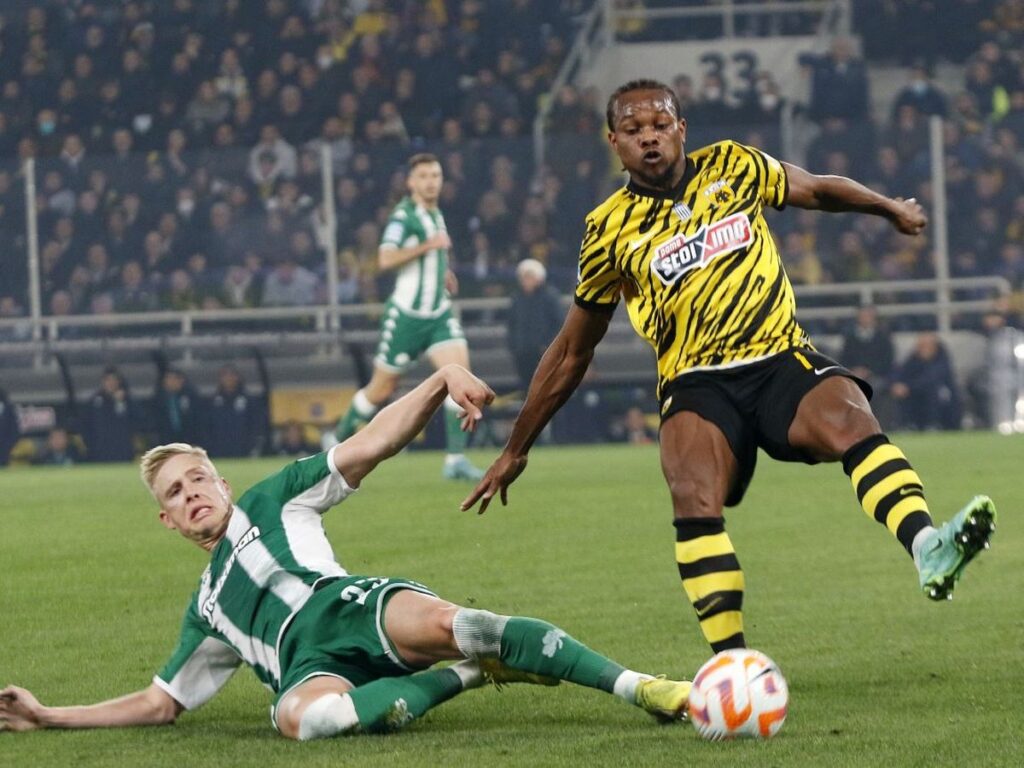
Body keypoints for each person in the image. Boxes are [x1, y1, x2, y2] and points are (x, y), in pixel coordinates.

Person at [462, 79, 997, 657]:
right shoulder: (607, 228)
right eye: (634, 130)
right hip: (696, 382)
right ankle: (734, 666)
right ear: (613, 142)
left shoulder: (733, 165)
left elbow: (816, 188)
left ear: (681, 129)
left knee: (851, 416)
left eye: (660, 125)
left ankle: (927, 546)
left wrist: (887, 207)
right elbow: (573, 350)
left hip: (778, 356)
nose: (649, 138)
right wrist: (517, 446)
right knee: (692, 494)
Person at [0, 365, 691, 738]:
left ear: (222, 483)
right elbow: (160, 704)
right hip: (307, 668)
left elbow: (373, 443)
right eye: (176, 493)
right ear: (168, 520)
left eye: (198, 479)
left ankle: (645, 688)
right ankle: (468, 675)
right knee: (309, 722)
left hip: (349, 608)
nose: (192, 495)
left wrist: (438, 381)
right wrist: (49, 714)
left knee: (469, 624)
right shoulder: (207, 607)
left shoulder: (274, 497)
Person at [330, 154, 484, 482]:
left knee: (460, 377)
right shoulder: (404, 216)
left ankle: (455, 460)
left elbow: (431, 254)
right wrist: (429, 246)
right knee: (380, 389)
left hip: (438, 313)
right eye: (424, 176)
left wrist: (443, 272)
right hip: (407, 318)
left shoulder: (435, 213)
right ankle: (335, 441)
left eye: (436, 175)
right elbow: (385, 258)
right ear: (411, 183)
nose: (431, 182)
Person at [507, 258, 565, 393]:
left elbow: (558, 323)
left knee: (547, 387)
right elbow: (511, 324)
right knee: (526, 388)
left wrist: (548, 345)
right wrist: (514, 346)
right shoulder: (516, 298)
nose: (526, 281)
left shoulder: (550, 296)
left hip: (544, 352)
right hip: (522, 352)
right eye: (524, 277)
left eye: (529, 277)